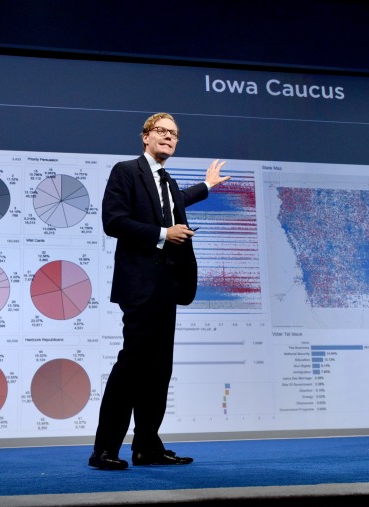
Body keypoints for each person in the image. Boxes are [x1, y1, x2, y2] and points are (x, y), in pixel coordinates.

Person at [89, 113, 230, 470]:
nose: (169, 137)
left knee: (158, 370)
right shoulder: (126, 171)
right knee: (133, 366)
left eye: (175, 134)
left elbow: (175, 202)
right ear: (145, 137)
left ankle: (147, 447)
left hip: (168, 285)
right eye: (162, 131)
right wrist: (164, 234)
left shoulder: (167, 182)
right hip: (139, 286)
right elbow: (113, 221)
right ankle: (105, 449)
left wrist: (208, 185)